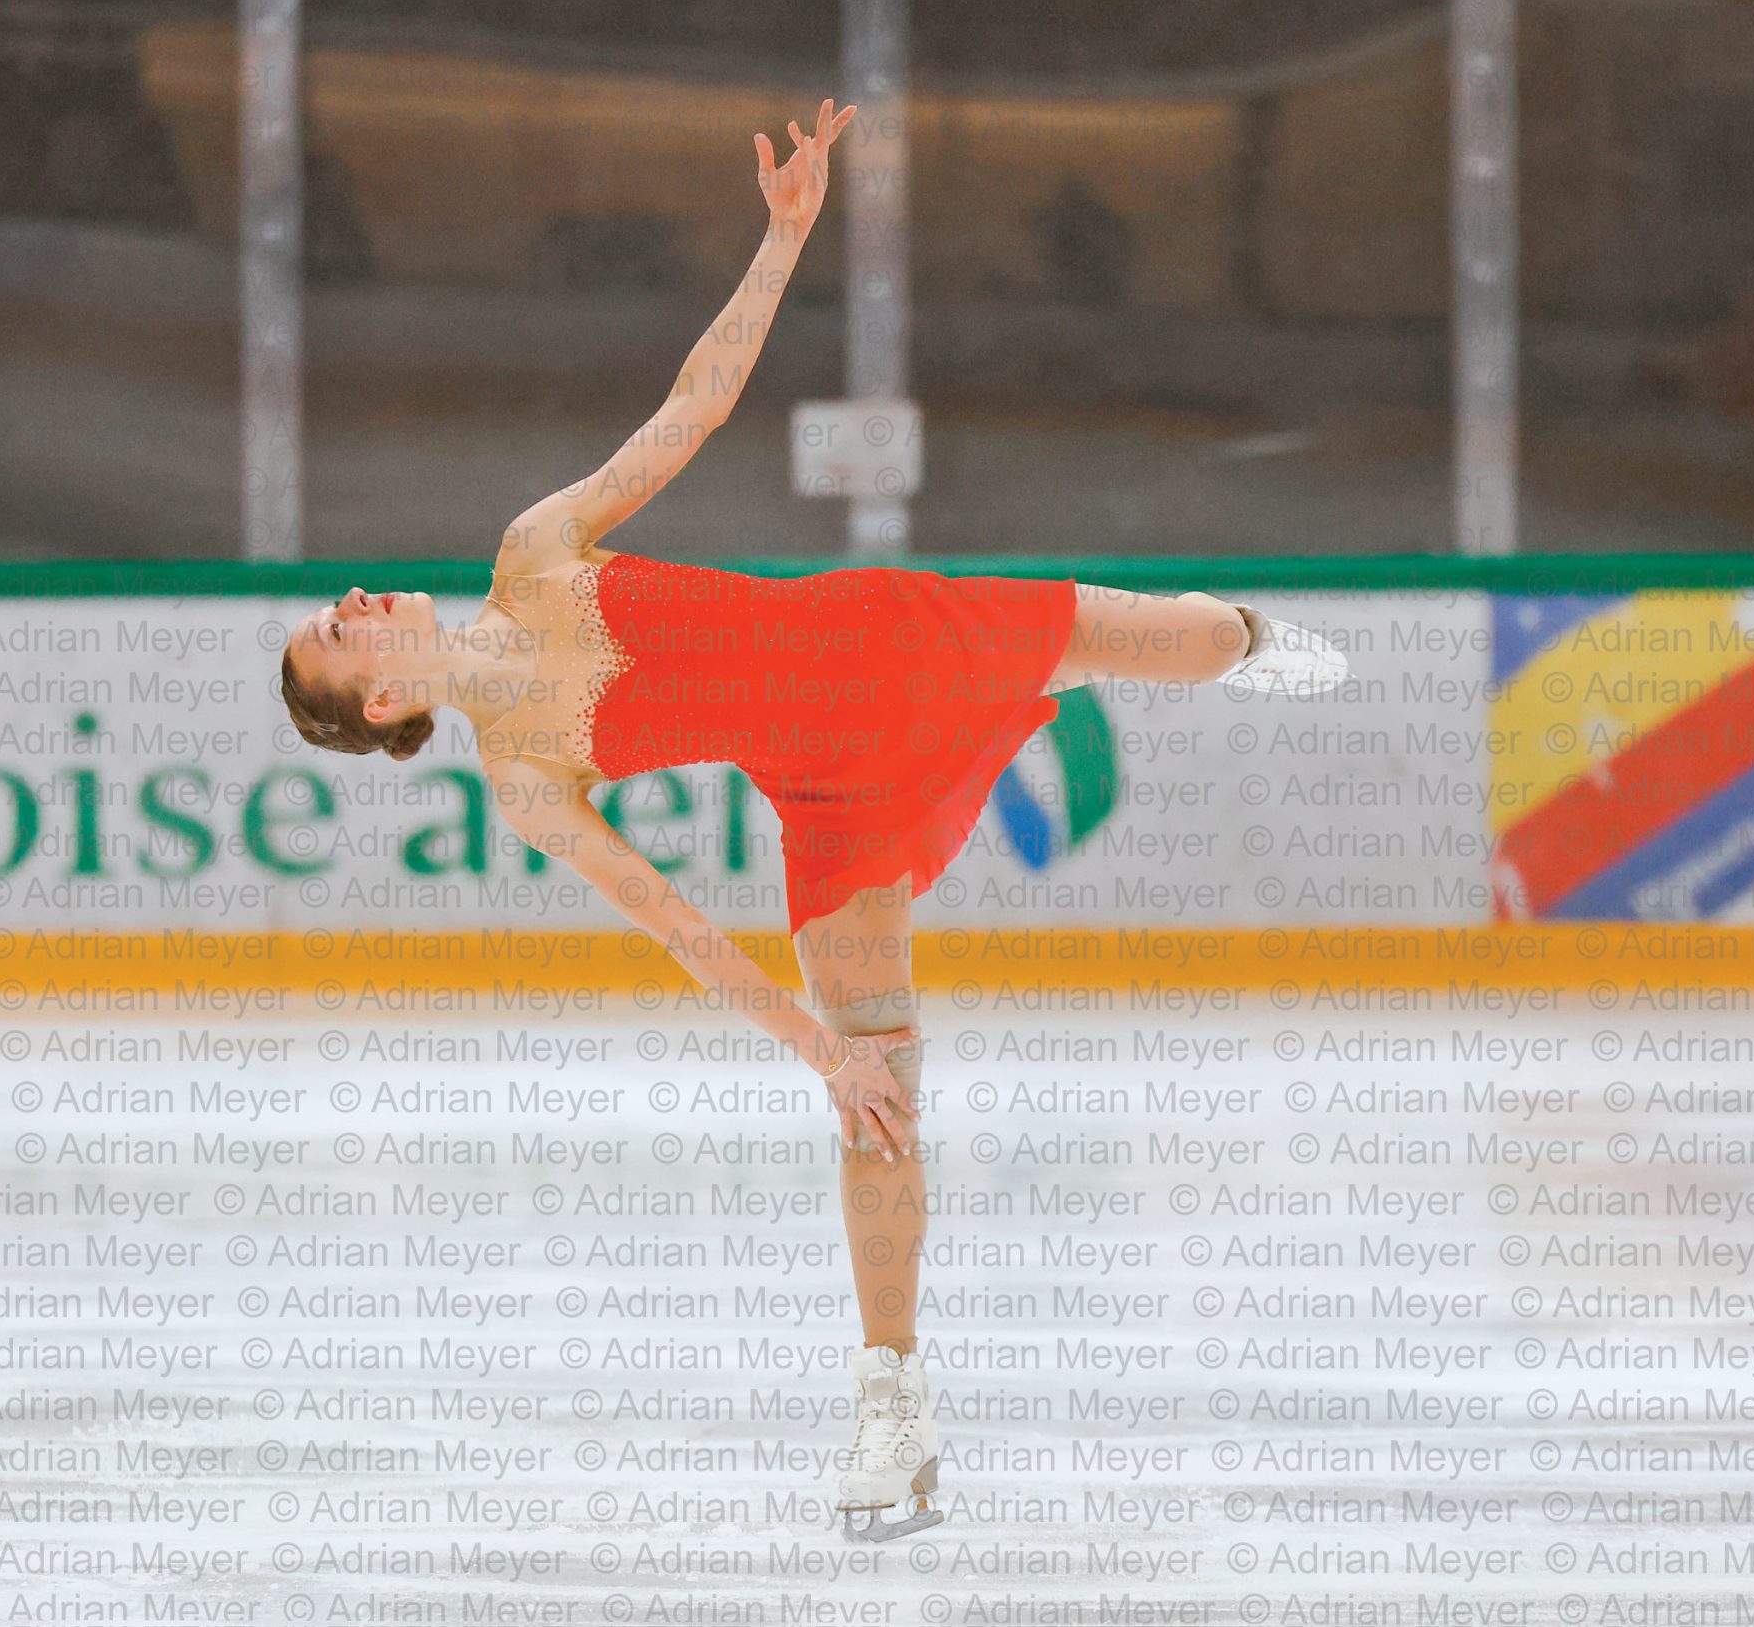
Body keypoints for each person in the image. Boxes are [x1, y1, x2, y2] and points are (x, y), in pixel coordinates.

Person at [280, 99, 1346, 1541]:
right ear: (383, 705)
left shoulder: (533, 553)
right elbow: (679, 927)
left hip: (893, 637)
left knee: (1193, 644)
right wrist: (819, 1052)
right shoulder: (525, 778)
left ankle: (1250, 636)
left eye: (337, 610)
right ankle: (890, 1404)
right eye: (335, 641)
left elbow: (692, 409)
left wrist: (783, 238)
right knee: (883, 1104)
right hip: (833, 802)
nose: (350, 607)